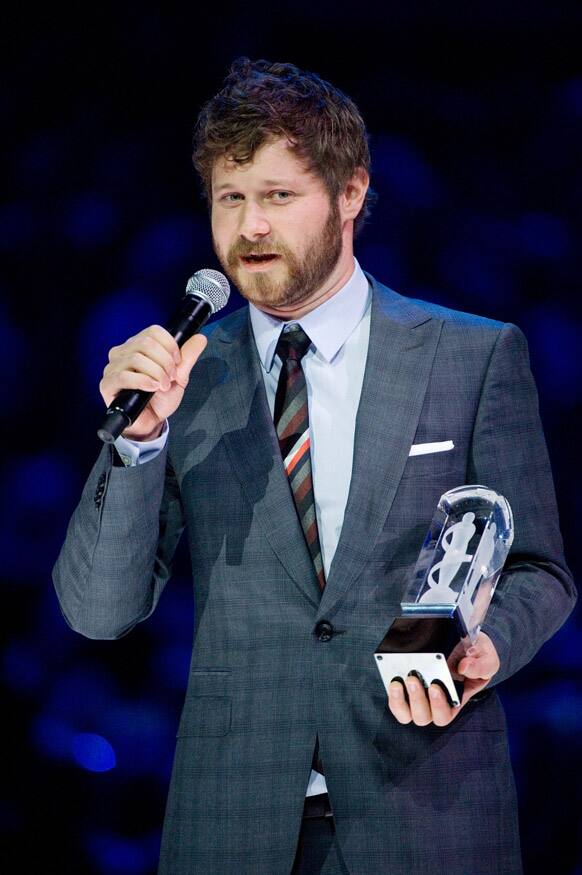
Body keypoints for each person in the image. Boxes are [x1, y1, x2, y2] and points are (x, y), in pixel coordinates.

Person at [53, 58, 576, 875]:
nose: (250, 226)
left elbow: (540, 568)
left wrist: (487, 648)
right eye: (232, 199)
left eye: (278, 196)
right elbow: (97, 609)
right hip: (233, 815)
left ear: (352, 194)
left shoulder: (470, 354)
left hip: (428, 801)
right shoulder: (188, 377)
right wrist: (137, 441)